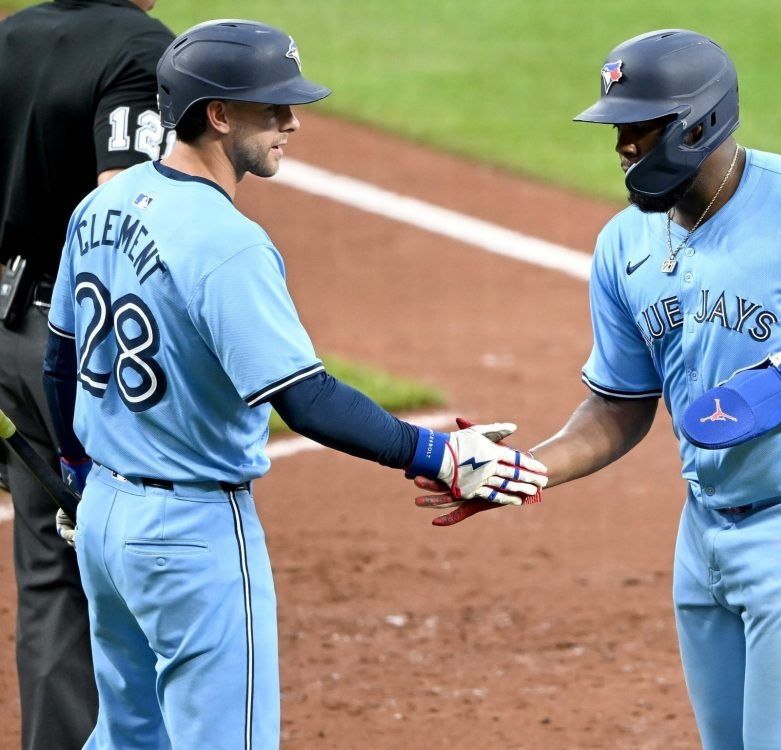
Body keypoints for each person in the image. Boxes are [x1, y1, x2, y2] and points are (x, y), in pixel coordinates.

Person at [418, 29, 781, 750]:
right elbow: (617, 406)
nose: (621, 146)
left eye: (640, 127)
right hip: (705, 527)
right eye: (616, 127)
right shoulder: (623, 246)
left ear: (698, 121)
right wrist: (527, 469)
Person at [41, 18, 546, 749]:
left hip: (107, 522)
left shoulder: (101, 206)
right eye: (272, 106)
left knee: (126, 736)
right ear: (217, 114)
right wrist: (441, 456)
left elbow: (60, 361)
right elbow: (303, 397)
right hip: (190, 534)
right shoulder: (227, 243)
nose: (292, 122)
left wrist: (76, 474)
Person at [0, 2, 173, 747]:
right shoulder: (138, 47)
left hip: (9, 329)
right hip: (89, 349)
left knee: (48, 581)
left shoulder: (12, 35)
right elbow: (123, 211)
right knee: (151, 564)